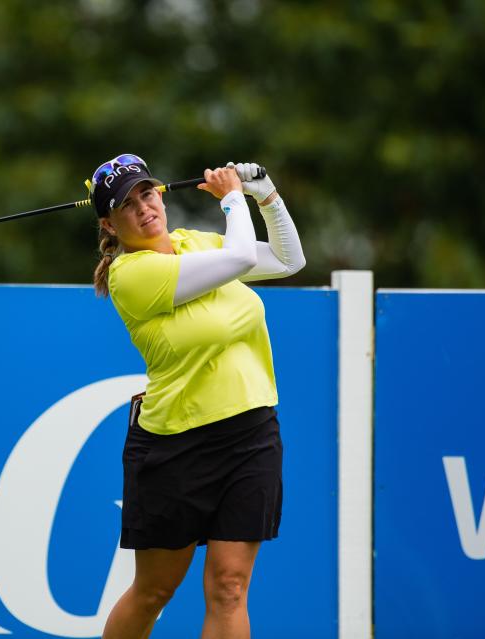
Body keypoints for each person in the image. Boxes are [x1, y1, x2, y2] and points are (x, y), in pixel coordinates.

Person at [89, 153, 305, 639]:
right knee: (153, 593)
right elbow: (243, 256)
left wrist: (264, 193)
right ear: (110, 223)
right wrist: (232, 196)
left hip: (250, 433)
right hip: (173, 446)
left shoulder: (196, 243)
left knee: (229, 586)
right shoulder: (131, 276)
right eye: (127, 204)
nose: (144, 207)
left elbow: (290, 260)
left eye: (148, 193)